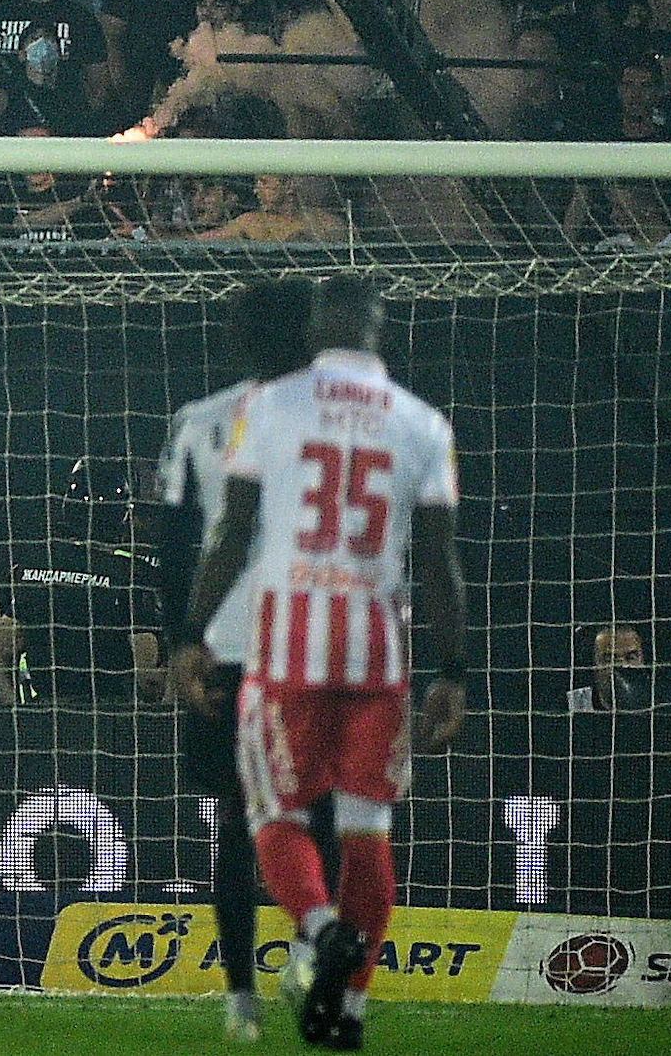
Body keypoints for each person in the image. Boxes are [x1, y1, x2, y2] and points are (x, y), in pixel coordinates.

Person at [177, 278, 468, 1055]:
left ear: (316, 329)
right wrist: (457, 669)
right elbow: (438, 561)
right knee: (368, 833)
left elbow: (233, 533)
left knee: (275, 814)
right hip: (381, 655)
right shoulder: (423, 423)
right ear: (380, 331)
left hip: (286, 653)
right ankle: (349, 1011)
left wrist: (190, 631)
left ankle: (320, 928)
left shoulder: (268, 408)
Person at [138, 281, 322, 1044]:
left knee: (242, 829)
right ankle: (297, 957)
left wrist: (180, 639)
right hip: (308, 651)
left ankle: (244, 995)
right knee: (313, 813)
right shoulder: (354, 426)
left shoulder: (202, 422)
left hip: (234, 651)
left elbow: (173, 548)